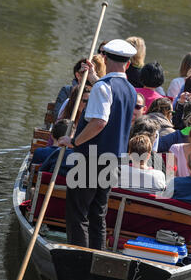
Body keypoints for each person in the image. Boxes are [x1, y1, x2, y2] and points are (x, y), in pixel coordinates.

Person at [58, 39, 137, 250]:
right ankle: (95, 256)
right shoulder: (130, 90)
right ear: (128, 64)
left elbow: (99, 122)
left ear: (105, 58)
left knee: (78, 213)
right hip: (113, 160)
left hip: (90, 158)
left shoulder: (103, 87)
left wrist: (74, 141)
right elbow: (108, 93)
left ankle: (80, 260)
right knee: (97, 213)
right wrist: (93, 77)